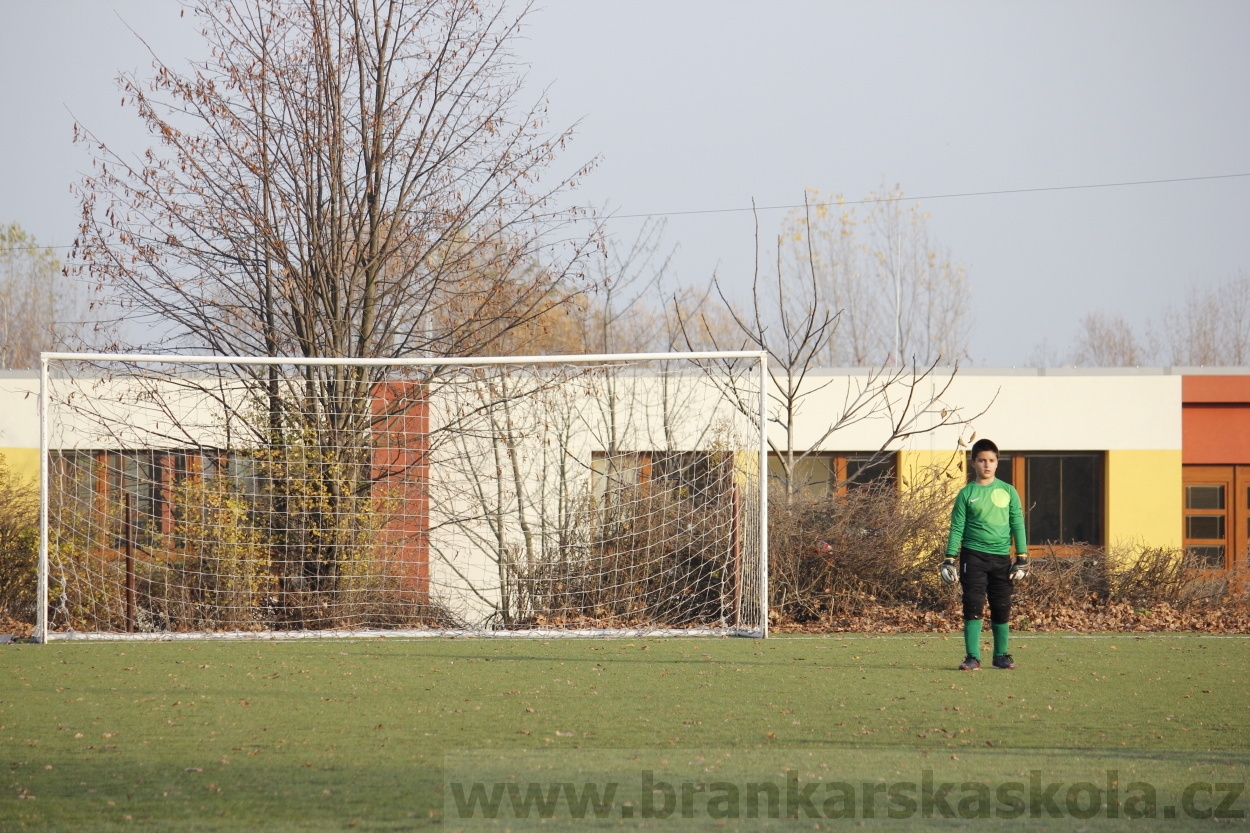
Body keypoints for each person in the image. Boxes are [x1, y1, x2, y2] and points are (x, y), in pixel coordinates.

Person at [940, 438, 1028, 670]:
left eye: (991, 460)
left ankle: (1001, 656)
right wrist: (949, 559)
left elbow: (1017, 523)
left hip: (1001, 558)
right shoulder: (966, 494)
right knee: (973, 603)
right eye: (981, 460)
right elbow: (957, 527)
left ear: (997, 462)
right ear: (974, 463)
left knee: (1001, 605)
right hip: (973, 557)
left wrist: (1022, 558)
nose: (986, 465)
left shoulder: (1008, 491)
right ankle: (973, 657)